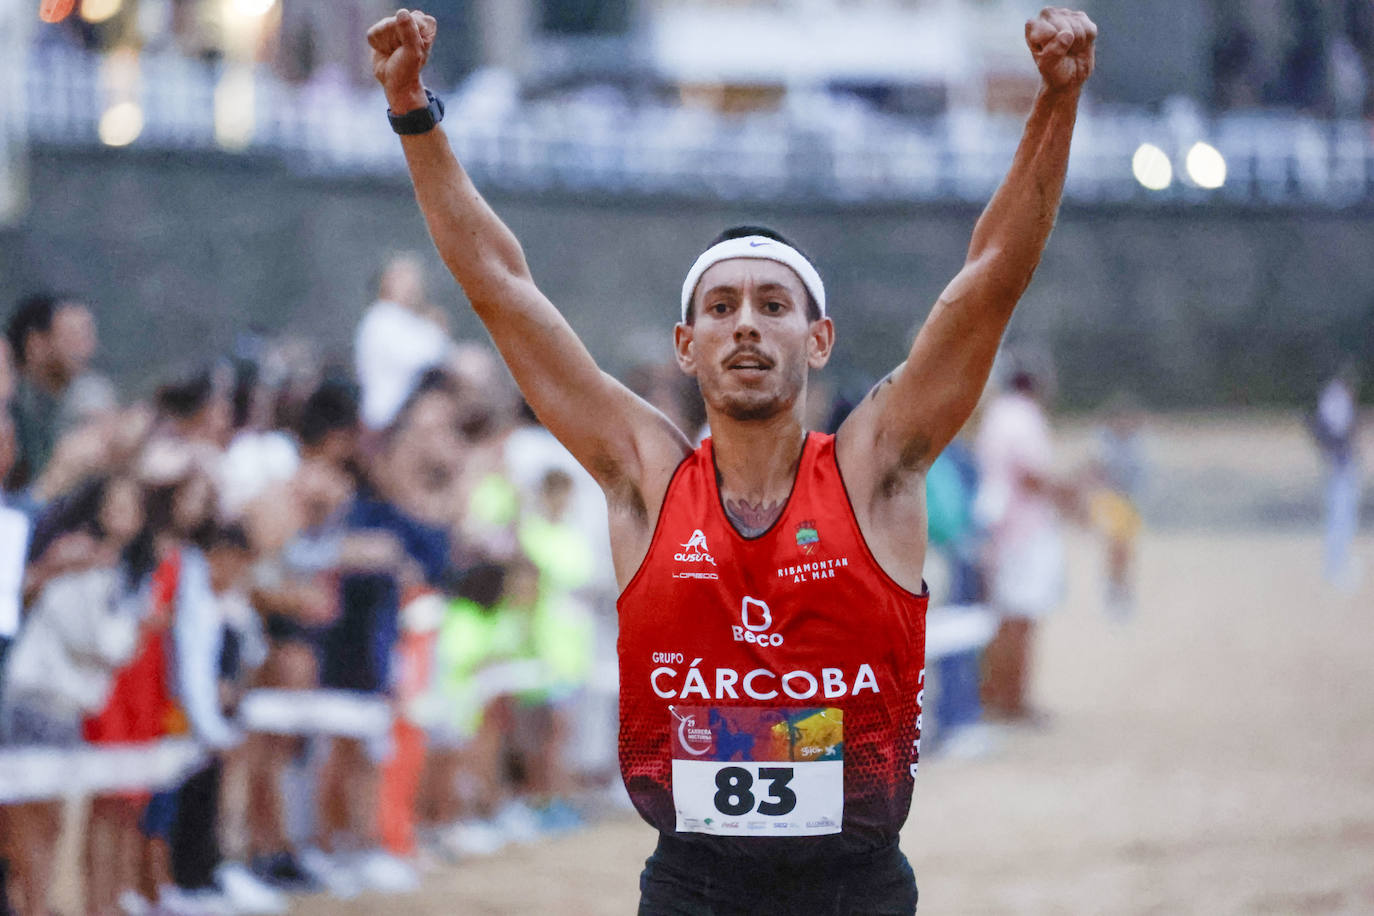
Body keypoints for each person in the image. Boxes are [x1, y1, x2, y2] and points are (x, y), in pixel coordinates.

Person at [366, 6, 1096, 912]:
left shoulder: (876, 469)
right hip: (693, 886)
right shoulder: (645, 476)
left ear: (818, 337)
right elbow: (501, 288)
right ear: (686, 345)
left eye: (771, 304)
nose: (745, 322)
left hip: (853, 887)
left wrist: (1055, 104)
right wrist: (412, 113)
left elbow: (990, 281)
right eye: (721, 308)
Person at [974, 366, 1078, 723]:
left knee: (1002, 619)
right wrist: (1070, 493)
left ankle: (993, 695)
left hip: (999, 529)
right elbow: (1031, 475)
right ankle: (1014, 700)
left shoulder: (997, 415)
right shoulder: (1023, 416)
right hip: (1026, 530)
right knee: (1021, 620)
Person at [1307, 365, 1362, 590]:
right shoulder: (1336, 399)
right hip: (1339, 464)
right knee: (1341, 517)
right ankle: (1337, 567)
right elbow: (1339, 431)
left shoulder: (1333, 398)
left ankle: (1338, 565)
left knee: (1342, 516)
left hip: (1338, 463)